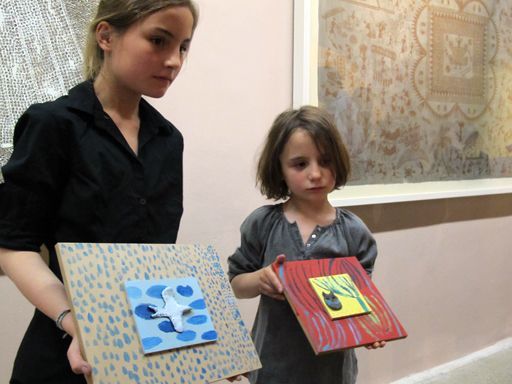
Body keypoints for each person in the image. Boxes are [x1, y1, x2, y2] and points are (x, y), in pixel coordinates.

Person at [0, 1, 198, 383]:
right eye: (159, 40)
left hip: (145, 350)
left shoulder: (168, 140)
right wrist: (77, 324)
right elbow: (14, 246)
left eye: (183, 47)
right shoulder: (53, 125)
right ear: (106, 36)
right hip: (62, 353)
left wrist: (204, 351)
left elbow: (158, 261)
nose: (174, 60)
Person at [228, 106, 385, 384]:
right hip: (272, 364)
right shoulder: (263, 224)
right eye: (300, 164)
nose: (316, 173)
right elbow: (236, 284)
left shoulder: (354, 232)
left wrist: (369, 328)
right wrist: (259, 279)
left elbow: (362, 299)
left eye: (325, 161)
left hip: (331, 370)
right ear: (280, 168)